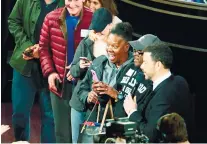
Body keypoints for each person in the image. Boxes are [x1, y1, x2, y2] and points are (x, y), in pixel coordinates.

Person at [8, 0, 64, 142]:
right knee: (19, 113)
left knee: (50, 115)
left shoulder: (66, 3)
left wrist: (44, 50)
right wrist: (27, 46)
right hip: (25, 64)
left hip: (53, 67)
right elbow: (13, 20)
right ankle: (21, 141)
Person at [39, 0, 92, 142]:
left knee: (85, 134)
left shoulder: (93, 18)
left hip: (85, 86)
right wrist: (50, 72)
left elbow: (99, 51)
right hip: (60, 85)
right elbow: (43, 48)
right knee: (62, 133)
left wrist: (81, 69)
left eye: (76, 0)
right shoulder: (51, 18)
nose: (72, 4)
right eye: (69, 0)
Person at [124, 43, 194, 142]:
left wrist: (132, 112)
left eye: (145, 62)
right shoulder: (178, 81)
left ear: (157, 65)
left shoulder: (165, 94)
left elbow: (150, 135)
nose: (142, 66)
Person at [69, 8, 113, 143]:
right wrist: (80, 67)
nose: (98, 32)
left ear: (110, 26)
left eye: (102, 29)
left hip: (99, 107)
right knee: (76, 140)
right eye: (96, 28)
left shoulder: (113, 47)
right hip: (79, 102)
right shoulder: (87, 43)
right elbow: (73, 71)